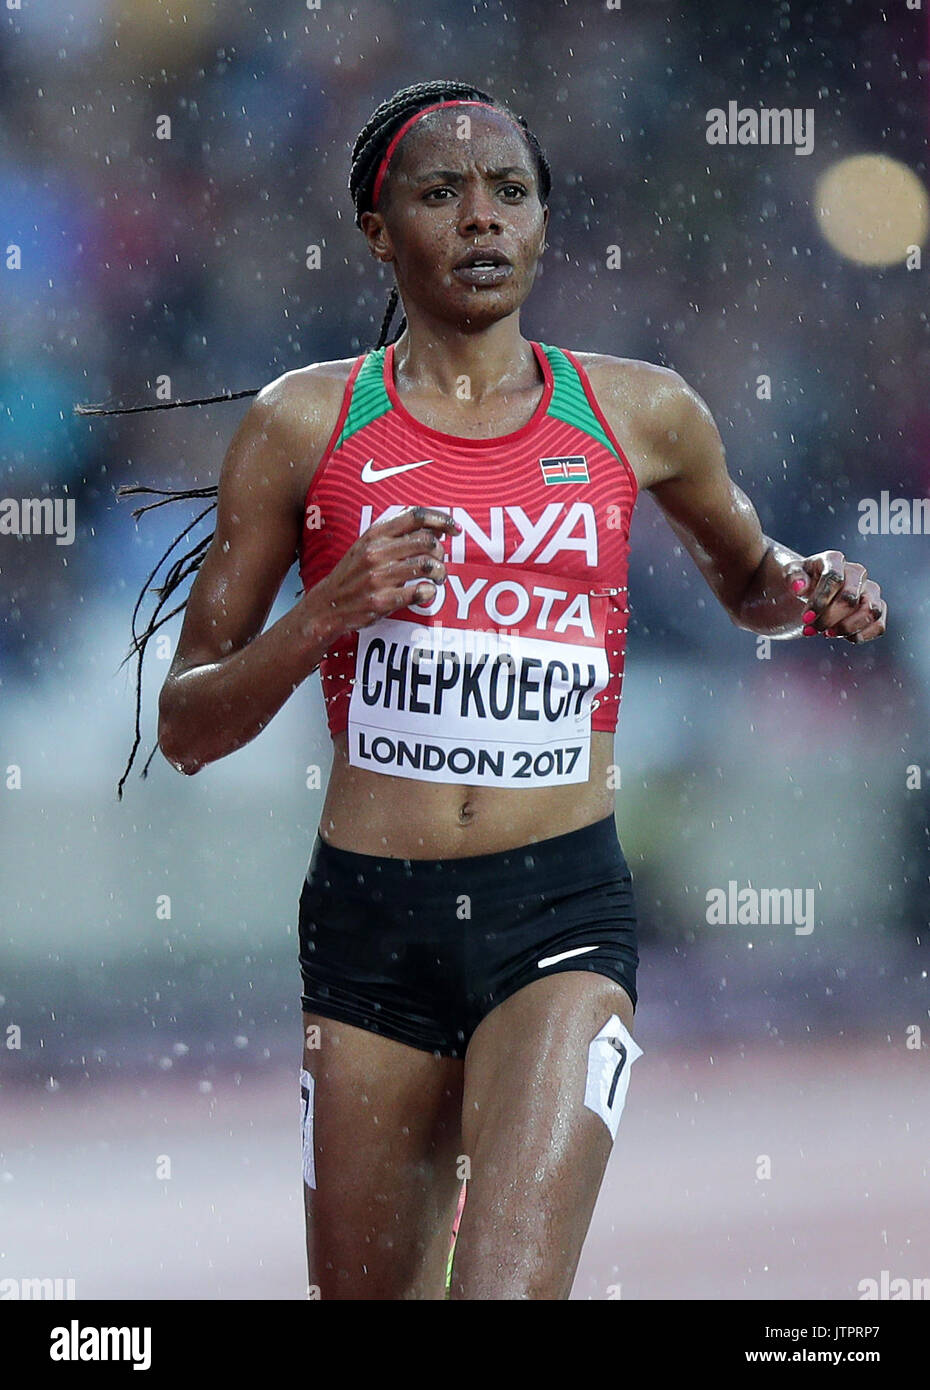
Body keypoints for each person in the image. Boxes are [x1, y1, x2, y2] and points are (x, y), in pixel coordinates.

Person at [104, 79, 887, 1299]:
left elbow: (752, 578)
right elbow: (188, 722)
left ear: (543, 224)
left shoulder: (641, 411)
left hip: (560, 912)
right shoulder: (304, 425)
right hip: (371, 926)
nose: (480, 219)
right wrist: (329, 608)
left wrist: (811, 584)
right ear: (378, 231)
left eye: (509, 193)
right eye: (440, 193)